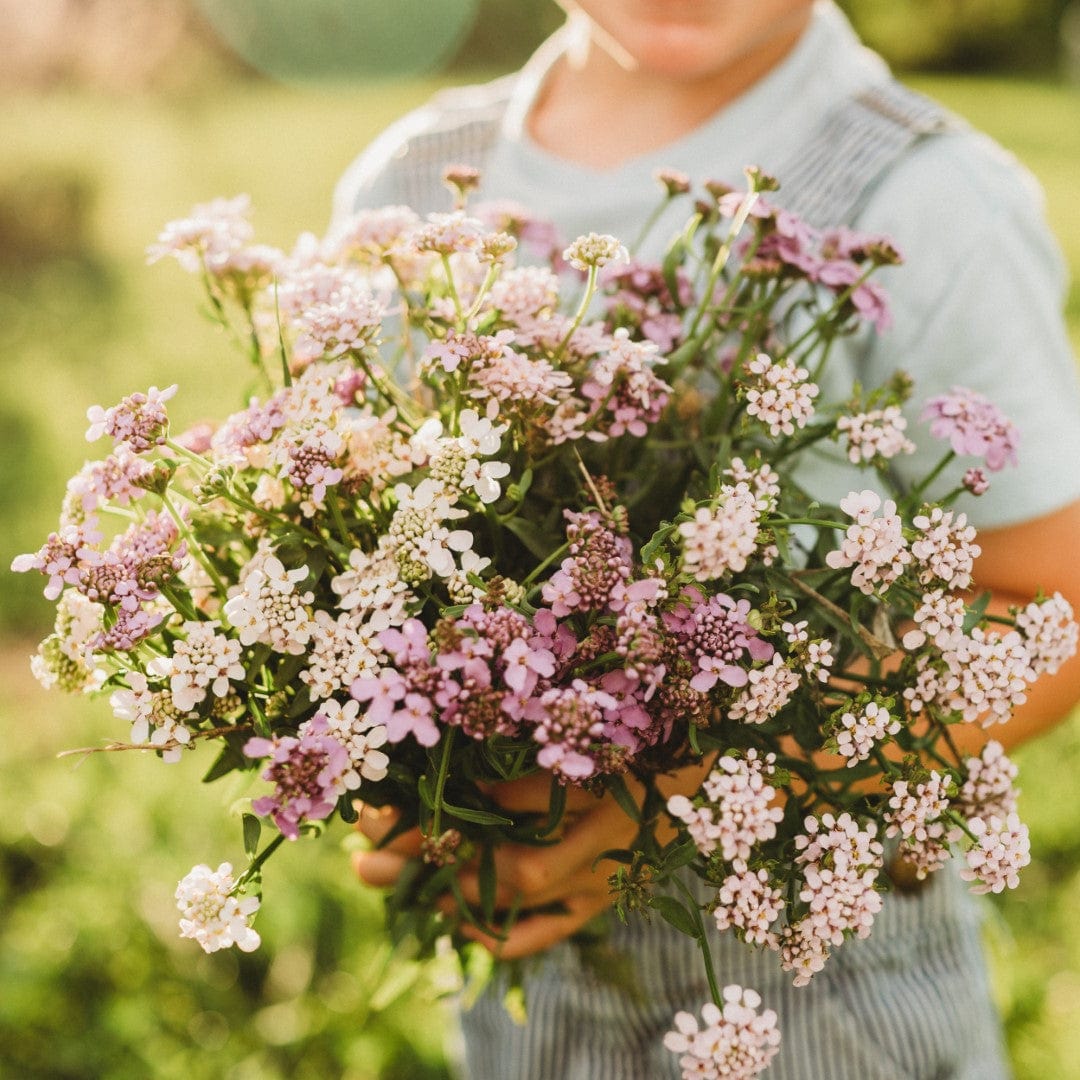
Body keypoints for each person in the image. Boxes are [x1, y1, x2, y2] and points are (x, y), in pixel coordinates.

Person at [332, 2, 1080, 1076]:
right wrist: (393, 769)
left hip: (835, 1000)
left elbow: (1052, 607)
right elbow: (360, 554)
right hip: (527, 1010)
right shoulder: (406, 192)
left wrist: (696, 793)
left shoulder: (928, 198)